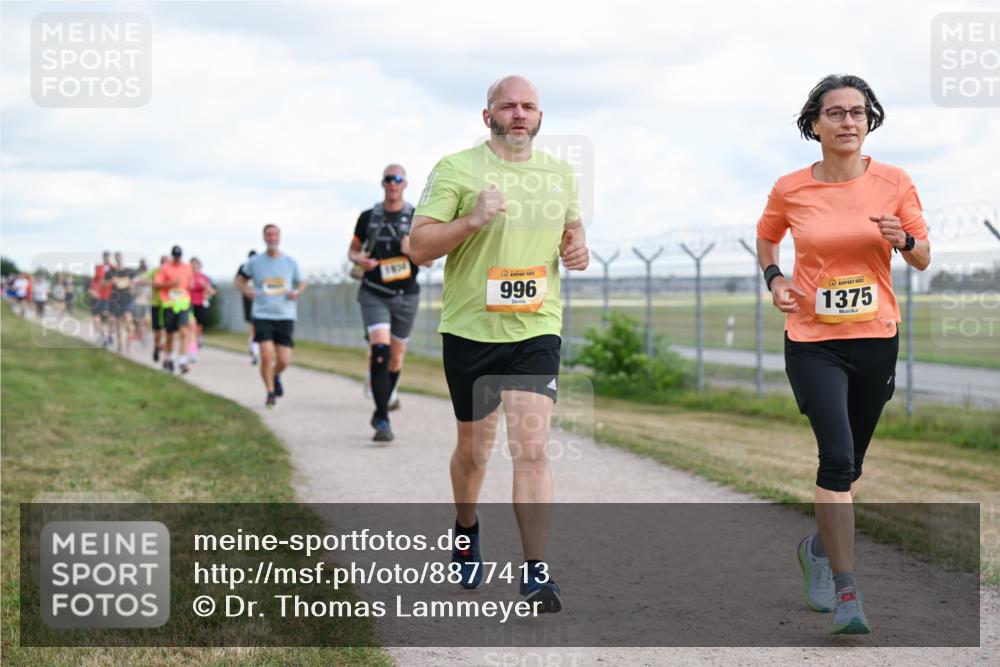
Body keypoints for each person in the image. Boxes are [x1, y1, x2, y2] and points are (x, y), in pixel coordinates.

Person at [756, 74, 931, 635]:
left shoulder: (894, 182)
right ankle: (847, 591)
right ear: (815, 124)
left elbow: (923, 256)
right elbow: (767, 237)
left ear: (869, 121)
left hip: (875, 339)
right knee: (834, 459)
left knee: (851, 468)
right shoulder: (791, 188)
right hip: (813, 341)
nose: (848, 121)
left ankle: (816, 548)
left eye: (858, 112)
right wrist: (776, 278)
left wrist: (903, 239)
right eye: (835, 113)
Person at [409, 75, 589, 613]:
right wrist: (472, 219)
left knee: (531, 449)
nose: (519, 113)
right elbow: (418, 247)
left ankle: (535, 572)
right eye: (508, 105)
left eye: (528, 105)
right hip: (471, 330)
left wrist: (578, 248)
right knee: (474, 453)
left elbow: (573, 231)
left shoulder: (560, 174)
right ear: (487, 115)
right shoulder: (456, 168)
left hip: (536, 328)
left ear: (540, 117)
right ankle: (466, 527)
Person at [347, 164, 426, 441]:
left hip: (406, 295)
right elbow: (353, 251)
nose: (393, 183)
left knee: (395, 357)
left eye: (398, 179)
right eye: (389, 179)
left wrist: (412, 251)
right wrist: (360, 260)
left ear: (405, 184)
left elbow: (429, 259)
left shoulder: (417, 218)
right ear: (383, 184)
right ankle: (382, 418)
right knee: (380, 350)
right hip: (374, 292)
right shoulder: (368, 217)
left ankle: (382, 406)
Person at [235, 224, 305, 408]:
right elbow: (240, 280)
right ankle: (270, 392)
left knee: (283, 360)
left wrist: (296, 291)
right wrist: (246, 290)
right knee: (266, 355)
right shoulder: (255, 262)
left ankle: (274, 375)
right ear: (264, 238)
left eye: (275, 234)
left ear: (279, 237)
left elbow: (302, 282)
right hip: (262, 313)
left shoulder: (290, 262)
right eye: (269, 234)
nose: (272, 238)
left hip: (285, 314)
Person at [154, 246, 194, 374]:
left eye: (179, 256)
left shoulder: (187, 267)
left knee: (184, 332)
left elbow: (190, 283)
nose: (177, 259)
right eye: (175, 256)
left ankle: (182, 362)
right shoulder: (165, 268)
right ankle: (170, 359)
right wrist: (170, 284)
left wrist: (190, 285)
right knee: (170, 335)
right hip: (169, 305)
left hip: (183, 304)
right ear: (172, 256)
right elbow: (156, 284)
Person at [104, 252, 136, 354]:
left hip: (127, 299)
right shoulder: (111, 272)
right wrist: (111, 281)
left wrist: (132, 286)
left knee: (129, 319)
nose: (118, 260)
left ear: (122, 259)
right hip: (116, 300)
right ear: (115, 259)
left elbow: (134, 282)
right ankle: (120, 346)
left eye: (120, 258)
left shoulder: (128, 271)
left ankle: (129, 344)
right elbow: (103, 283)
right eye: (117, 258)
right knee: (118, 324)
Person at [188, 257, 216, 361]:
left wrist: (204, 286)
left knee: (198, 328)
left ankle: (199, 339)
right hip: (189, 305)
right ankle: (193, 352)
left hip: (200, 305)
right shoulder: (187, 277)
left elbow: (212, 292)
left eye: (195, 265)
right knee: (192, 328)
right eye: (192, 265)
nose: (194, 267)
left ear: (199, 266)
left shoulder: (204, 278)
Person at [237, 250, 260, 365]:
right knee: (252, 324)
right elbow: (238, 281)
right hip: (249, 299)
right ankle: (254, 350)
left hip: (261, 299)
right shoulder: (244, 268)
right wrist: (246, 291)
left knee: (258, 325)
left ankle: (256, 349)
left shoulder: (262, 267)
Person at [90, 252, 114, 345]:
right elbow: (95, 281)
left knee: (107, 318)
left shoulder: (113, 268)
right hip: (98, 297)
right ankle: (101, 335)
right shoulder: (99, 268)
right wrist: (93, 290)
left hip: (109, 297)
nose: (106, 259)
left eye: (107, 257)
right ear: (103, 257)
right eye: (105, 257)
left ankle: (109, 336)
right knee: (96, 318)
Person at [148, 256, 168, 362]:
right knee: (158, 331)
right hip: (156, 304)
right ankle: (156, 346)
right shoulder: (155, 271)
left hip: (168, 305)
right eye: (163, 262)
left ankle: (166, 358)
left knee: (168, 331)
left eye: (166, 263)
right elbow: (149, 280)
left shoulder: (171, 273)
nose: (164, 265)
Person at [132, 259, 151, 344]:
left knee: (147, 319)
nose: (143, 269)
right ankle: (141, 334)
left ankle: (145, 335)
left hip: (147, 301)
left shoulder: (149, 277)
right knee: (139, 320)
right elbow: (132, 287)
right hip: (138, 301)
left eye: (144, 267)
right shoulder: (136, 277)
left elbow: (151, 285)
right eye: (141, 267)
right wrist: (135, 292)